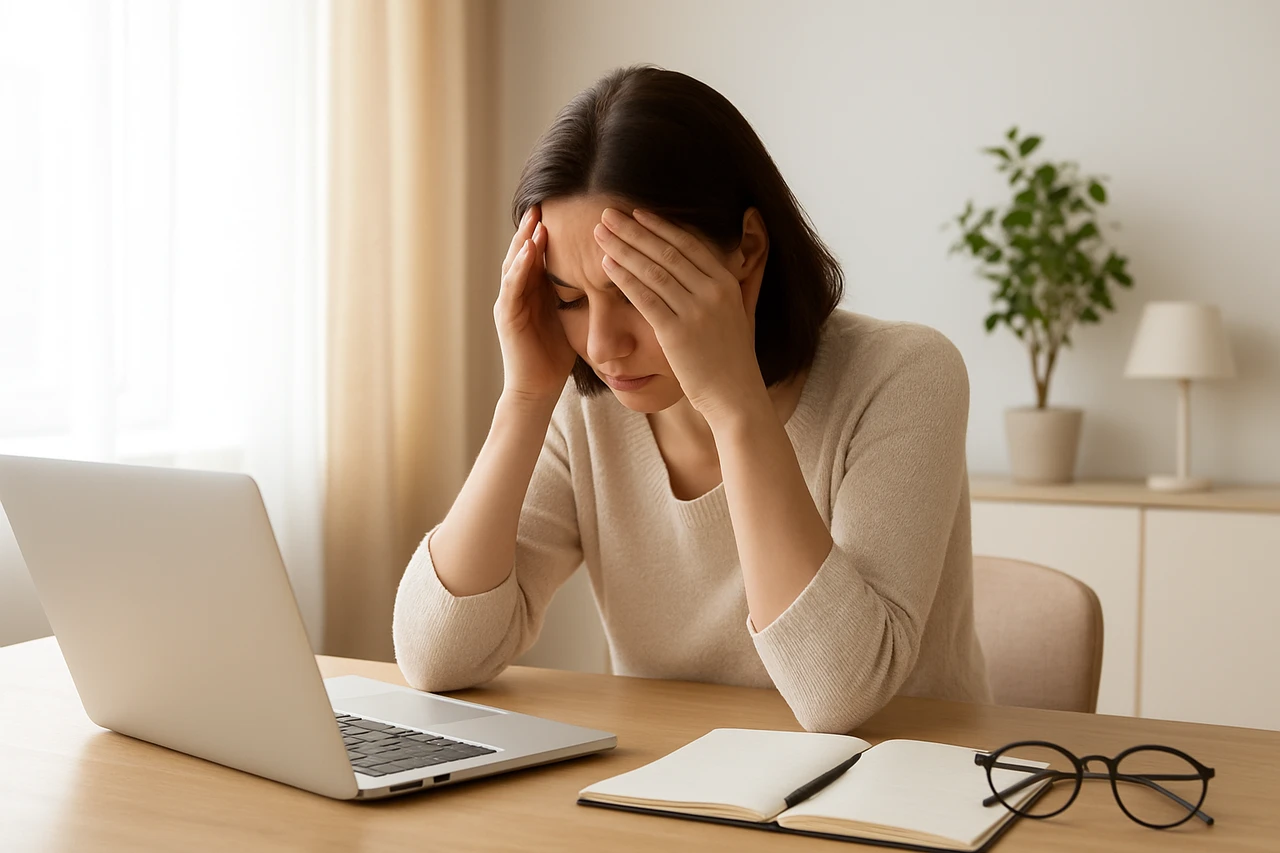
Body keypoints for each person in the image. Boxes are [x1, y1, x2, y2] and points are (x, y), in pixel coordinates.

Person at [392, 65, 991, 733]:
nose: (602, 343)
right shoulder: (590, 408)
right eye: (567, 298)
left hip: (895, 798)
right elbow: (433, 657)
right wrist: (525, 399)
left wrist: (734, 405)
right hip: (672, 792)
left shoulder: (903, 376)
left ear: (748, 252)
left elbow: (840, 693)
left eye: (638, 292)